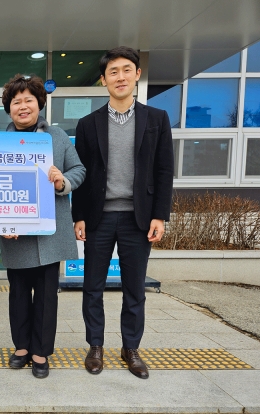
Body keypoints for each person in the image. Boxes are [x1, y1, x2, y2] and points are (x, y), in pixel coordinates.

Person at [72, 46, 174, 379]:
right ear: (104, 80)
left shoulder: (156, 119)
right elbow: (81, 172)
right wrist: (79, 216)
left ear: (137, 74)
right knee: (93, 286)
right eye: (113, 71)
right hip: (99, 217)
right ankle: (96, 346)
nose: (120, 76)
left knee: (134, 287)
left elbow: (163, 170)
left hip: (138, 218)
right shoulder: (88, 124)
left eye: (126, 70)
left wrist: (160, 215)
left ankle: (131, 348)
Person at [0, 74, 86, 378]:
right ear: (8, 109)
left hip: (50, 231)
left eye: (28, 100)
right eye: (16, 102)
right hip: (16, 233)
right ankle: (21, 347)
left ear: (40, 103)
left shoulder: (59, 137)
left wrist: (62, 180)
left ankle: (40, 352)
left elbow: (79, 170)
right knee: (19, 293)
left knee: (48, 295)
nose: (23, 106)